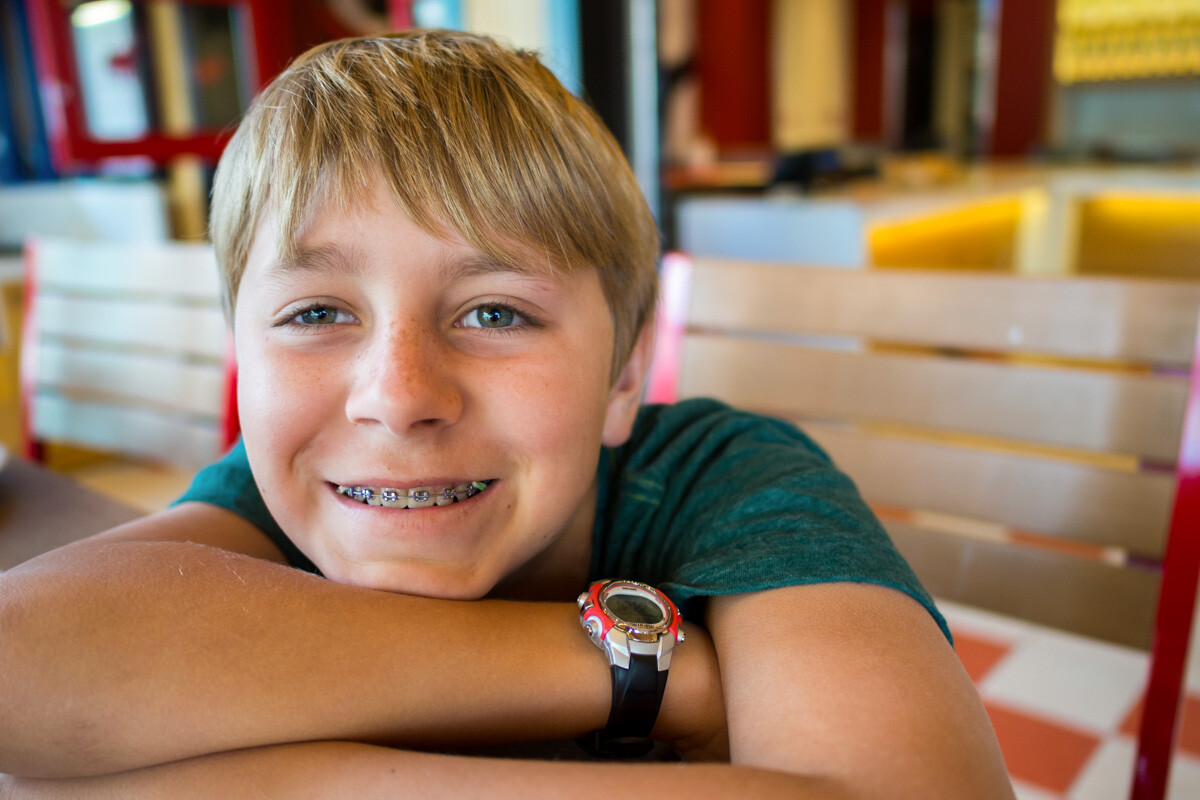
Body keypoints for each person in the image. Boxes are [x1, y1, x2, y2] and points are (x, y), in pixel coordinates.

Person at [0, 30, 1013, 798]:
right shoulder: (290, 480)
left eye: (495, 311)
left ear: (624, 376)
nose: (395, 396)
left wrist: (291, 774)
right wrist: (646, 680)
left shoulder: (725, 476)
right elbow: (24, 657)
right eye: (314, 312)